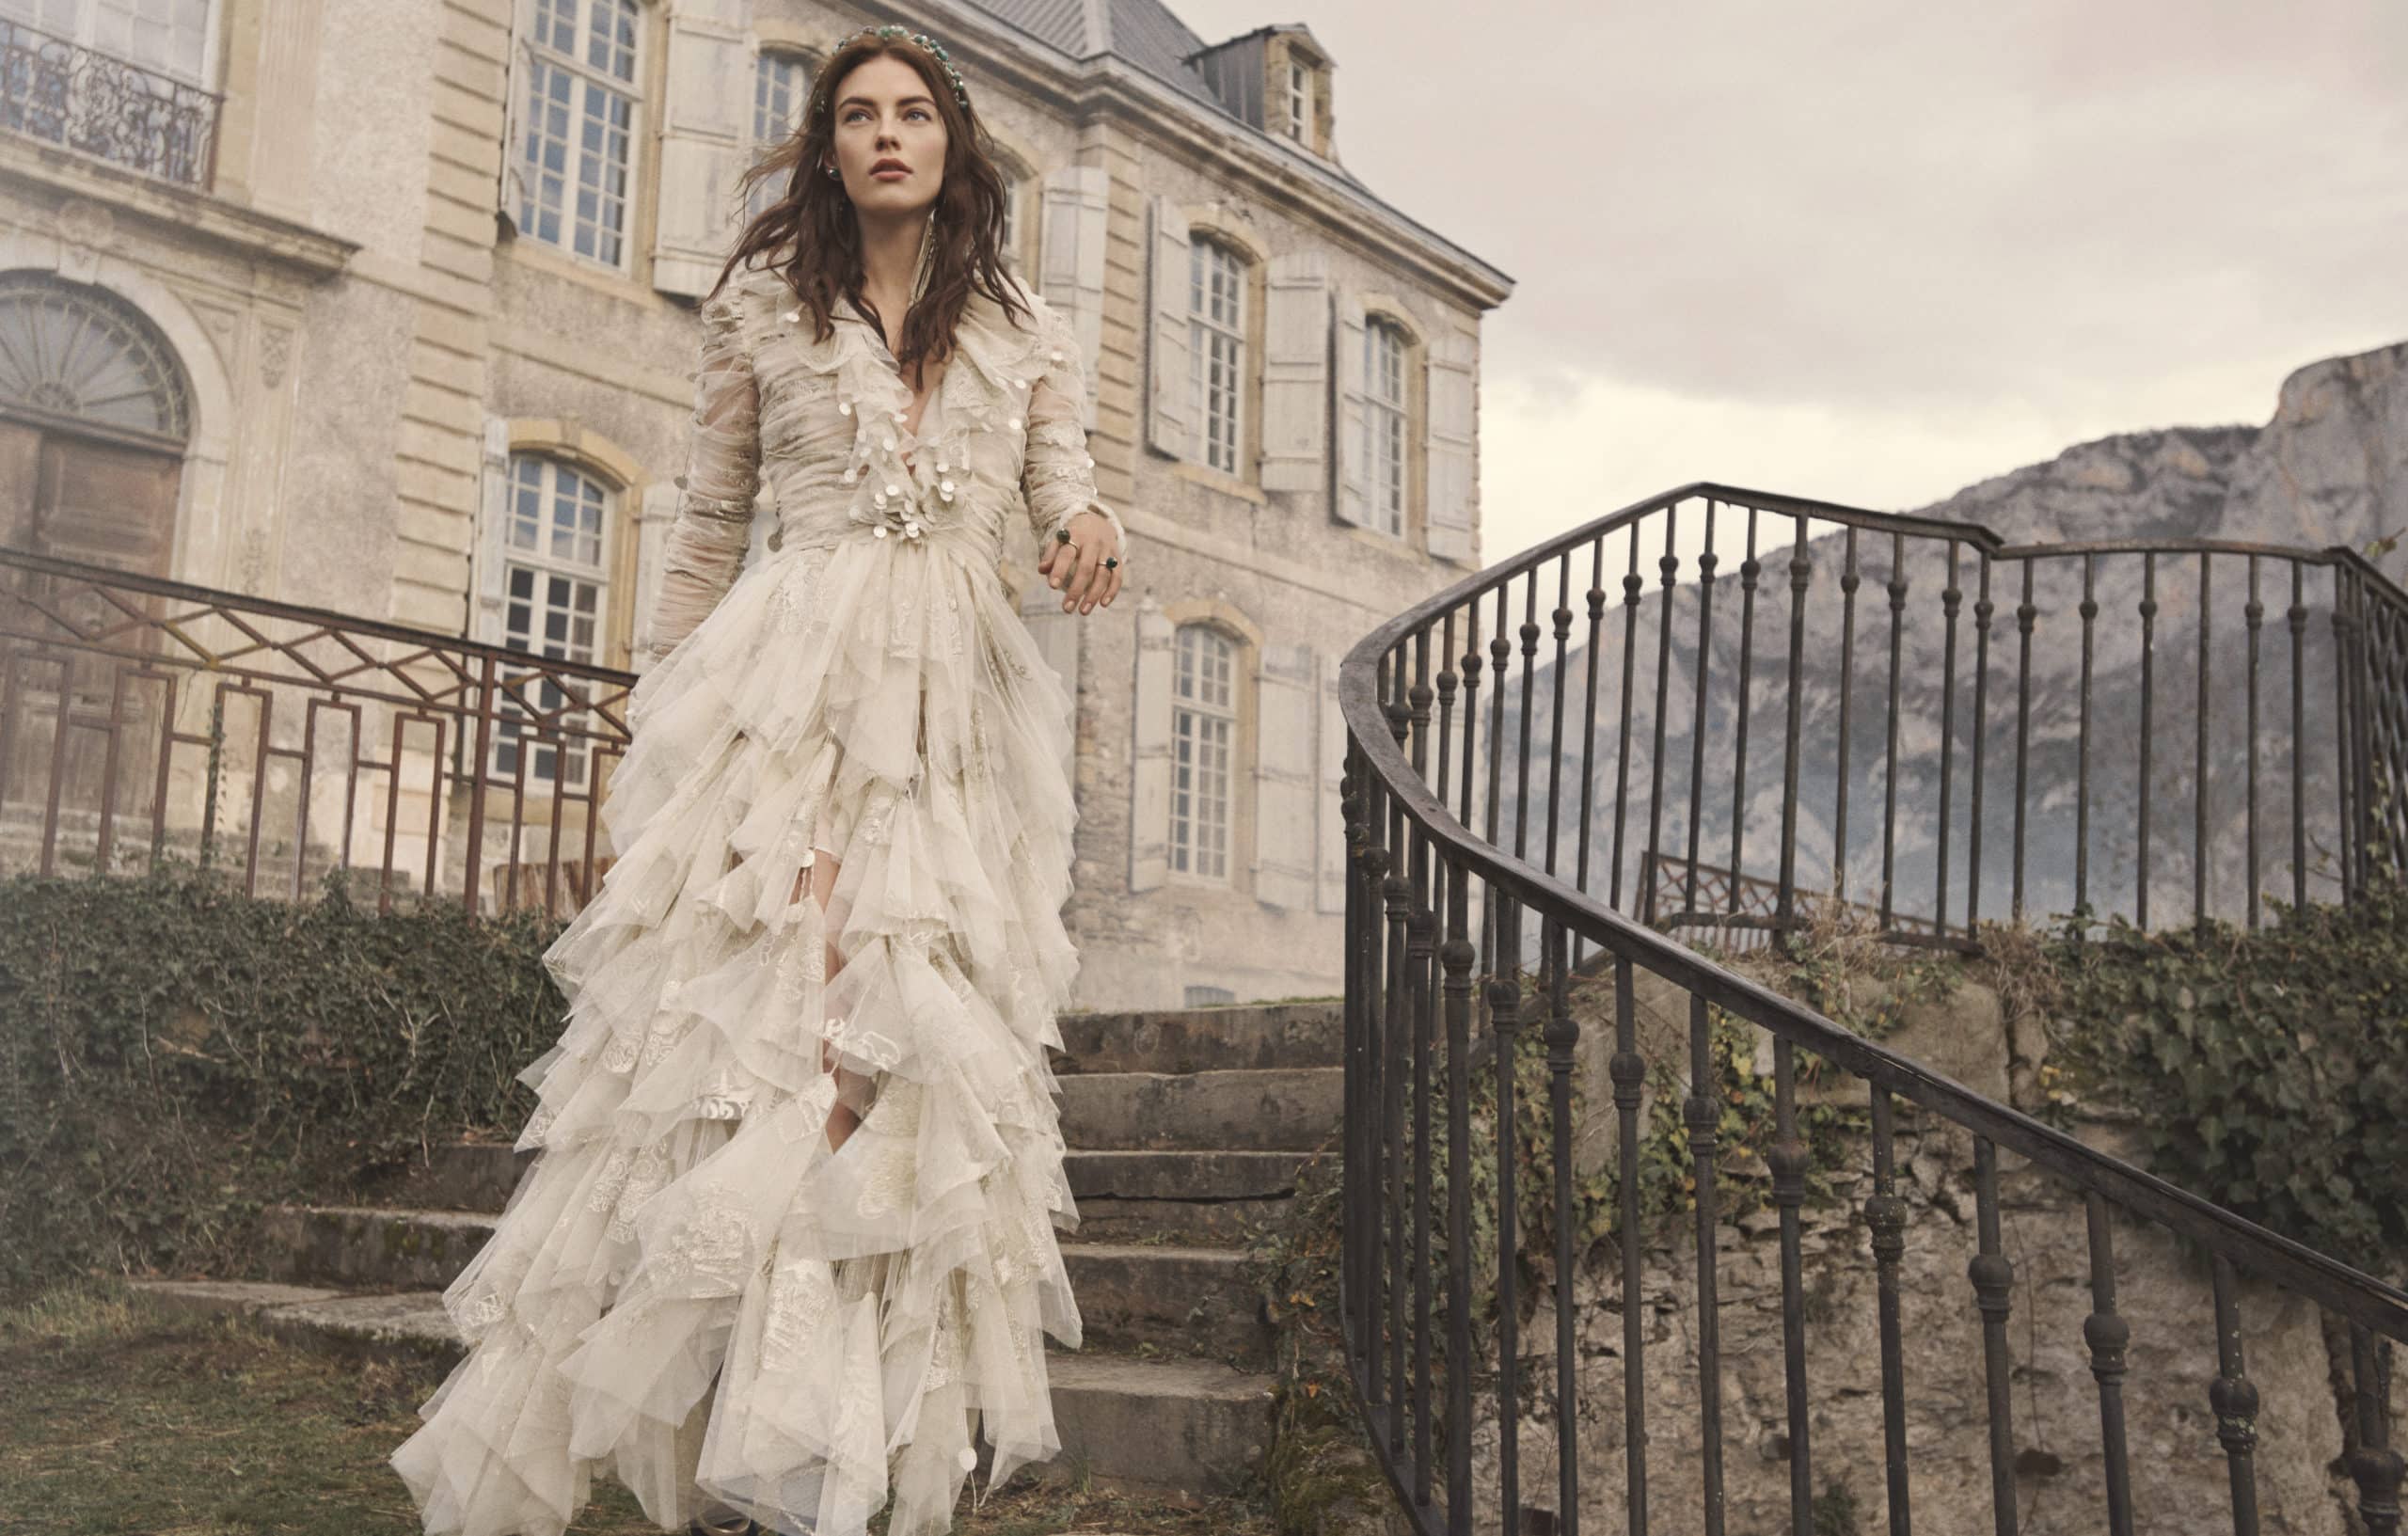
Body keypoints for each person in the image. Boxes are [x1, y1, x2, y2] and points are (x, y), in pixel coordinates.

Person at [390, 24, 1126, 1536]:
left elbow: (1060, 486)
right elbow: (712, 521)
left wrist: (1090, 521)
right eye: (856, 114)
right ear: (826, 145)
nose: (885, 135)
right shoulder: (761, 313)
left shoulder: (1029, 327)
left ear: (953, 143)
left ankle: (837, 1446)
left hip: (950, 729)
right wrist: (664, 725)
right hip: (788, 699)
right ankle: (744, 1423)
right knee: (772, 1043)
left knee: (903, 1061)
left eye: (913, 112)